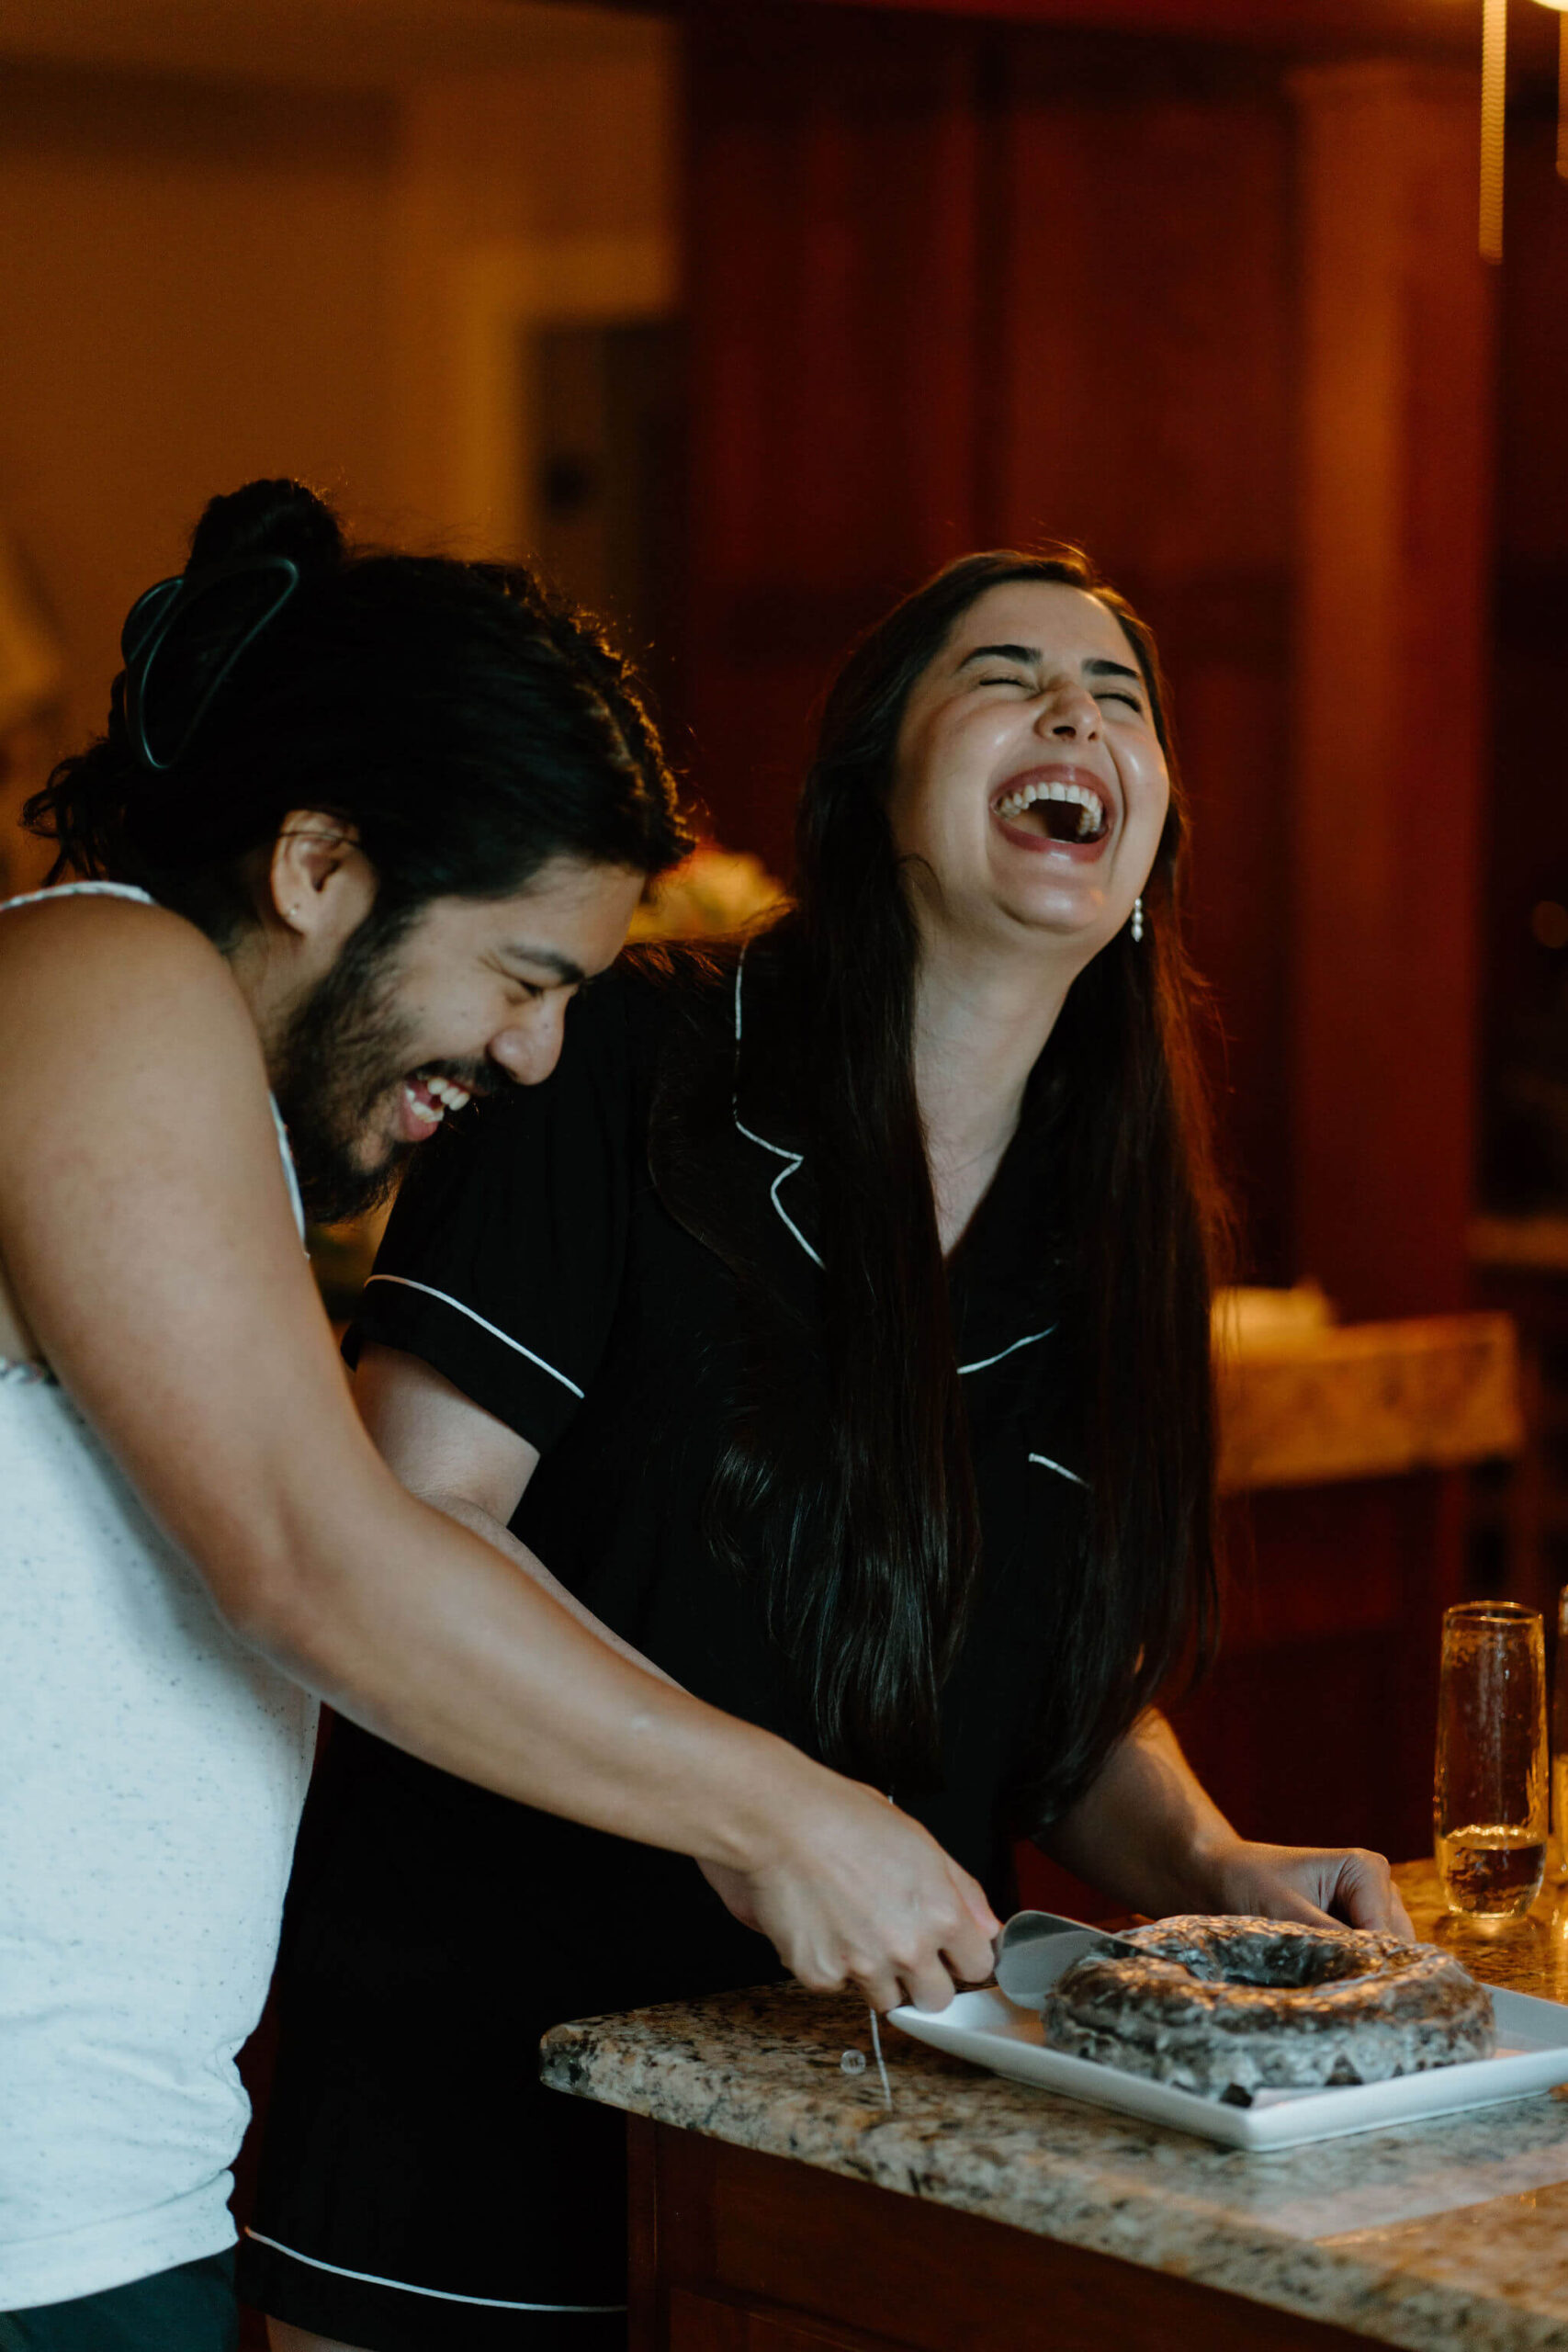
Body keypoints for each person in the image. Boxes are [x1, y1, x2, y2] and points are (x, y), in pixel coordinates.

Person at [249, 549, 1413, 2352]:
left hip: (852, 2166)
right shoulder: (615, 1059)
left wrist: (1204, 1859)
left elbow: (1045, 1691)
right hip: (465, 2122)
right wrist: (768, 1805)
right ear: (869, 785)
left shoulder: (1106, 1232)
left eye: (1118, 699)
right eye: (1005, 674)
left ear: (1148, 849)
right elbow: (408, 1519)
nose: (1073, 714)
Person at [0, 483, 1001, 2352]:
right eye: (521, 974)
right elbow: (315, 1548)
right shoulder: (98, 974)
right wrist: (772, 1807)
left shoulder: (173, 1079)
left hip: (98, 2203)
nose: (534, 1053)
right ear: (317, 863)